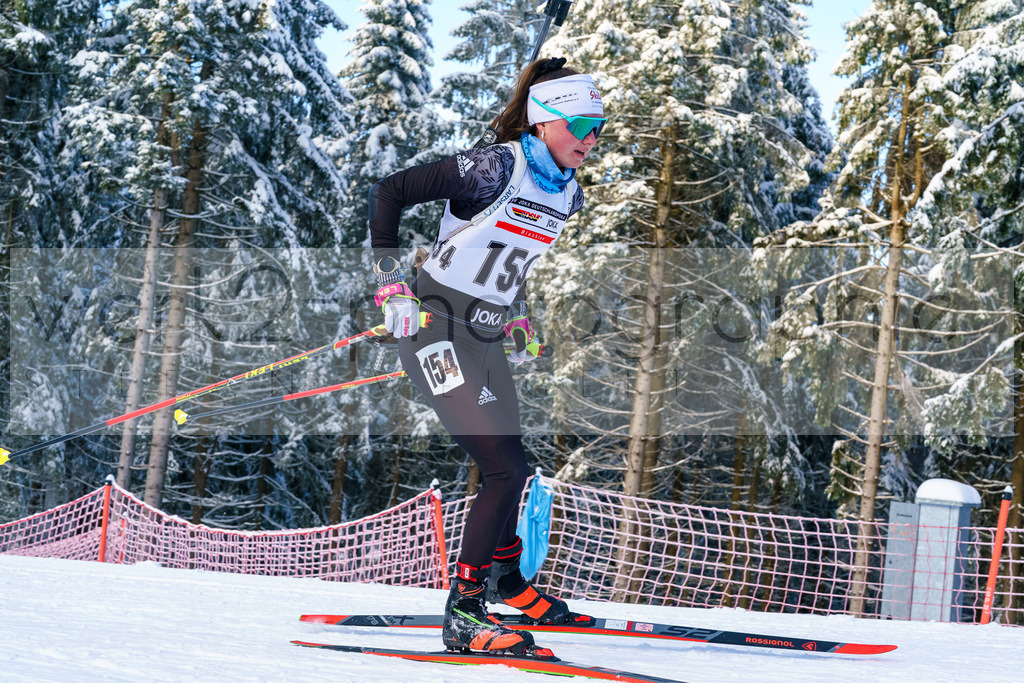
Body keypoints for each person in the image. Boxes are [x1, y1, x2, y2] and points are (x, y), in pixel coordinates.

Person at [368, 57, 606, 655]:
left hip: (485, 333)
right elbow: (390, 191)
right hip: (432, 329)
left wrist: (519, 320)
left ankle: (505, 580)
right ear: (545, 121)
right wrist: (391, 283)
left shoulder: (567, 193)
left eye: (598, 125)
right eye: (580, 124)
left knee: (510, 465)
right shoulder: (495, 165)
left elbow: (512, 259)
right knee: (504, 468)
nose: (592, 137)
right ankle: (465, 612)